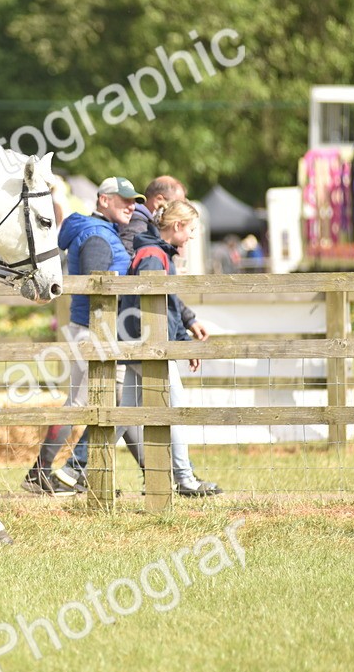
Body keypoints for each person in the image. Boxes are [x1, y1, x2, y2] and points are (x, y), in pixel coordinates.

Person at [22, 176, 144, 496]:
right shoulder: (97, 236)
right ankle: (46, 473)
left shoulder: (101, 231)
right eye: (124, 200)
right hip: (95, 331)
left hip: (96, 331)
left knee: (114, 403)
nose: (131, 205)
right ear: (104, 200)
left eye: (134, 201)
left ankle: (81, 471)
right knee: (87, 403)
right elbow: (96, 288)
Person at [112, 199, 221, 496]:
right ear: (176, 226)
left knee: (126, 414)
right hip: (148, 345)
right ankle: (185, 479)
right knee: (174, 410)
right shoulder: (153, 256)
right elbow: (158, 309)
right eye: (191, 229)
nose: (192, 236)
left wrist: (186, 327)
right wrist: (182, 344)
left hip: (140, 341)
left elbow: (168, 303)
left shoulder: (156, 253)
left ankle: (85, 469)